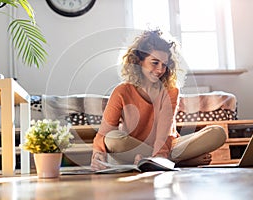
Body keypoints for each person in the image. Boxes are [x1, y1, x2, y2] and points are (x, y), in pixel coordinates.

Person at [91, 29, 226, 170]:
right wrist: (97, 155)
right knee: (112, 138)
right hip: (132, 146)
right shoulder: (122, 91)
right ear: (139, 61)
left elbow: (165, 132)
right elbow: (105, 131)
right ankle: (176, 162)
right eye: (155, 63)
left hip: (168, 145)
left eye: (164, 64)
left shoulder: (171, 90)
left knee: (217, 133)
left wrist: (160, 155)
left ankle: (149, 161)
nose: (160, 69)